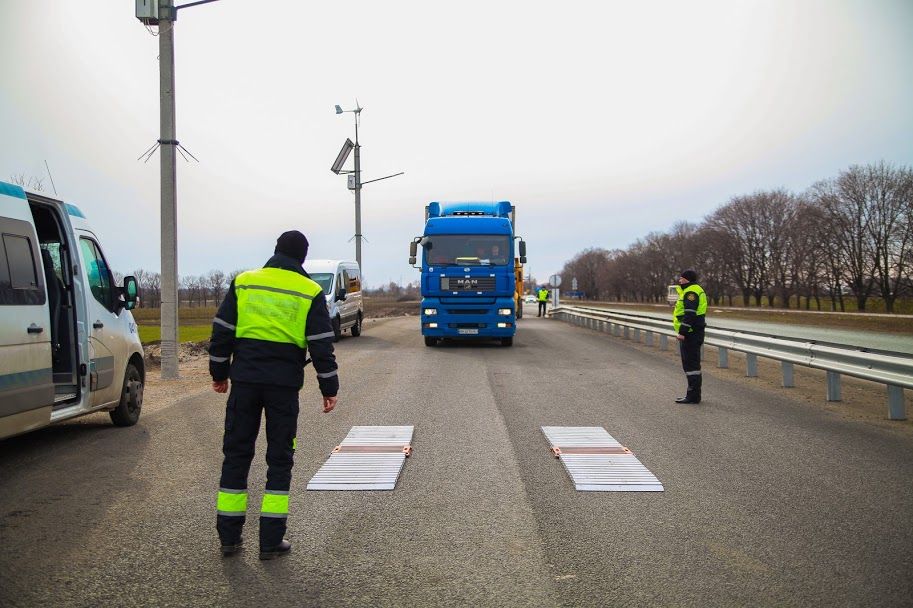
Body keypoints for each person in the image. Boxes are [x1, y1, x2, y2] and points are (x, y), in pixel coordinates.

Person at [209, 230, 339, 560]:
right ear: (302, 259)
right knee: (279, 461)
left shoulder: (245, 282)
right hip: (283, 389)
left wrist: (219, 373)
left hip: (245, 384)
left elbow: (222, 332)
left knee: (236, 455)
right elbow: (321, 344)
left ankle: (229, 538)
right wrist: (329, 388)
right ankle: (269, 542)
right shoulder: (310, 291)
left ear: (276, 250)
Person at [672, 269, 707, 404]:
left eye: (681, 278)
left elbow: (690, 314)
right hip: (693, 333)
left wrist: (682, 332)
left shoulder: (691, 292)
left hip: (691, 334)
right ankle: (693, 395)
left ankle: (693, 396)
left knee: (691, 365)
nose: (679, 281)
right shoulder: (692, 290)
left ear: (687, 279)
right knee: (692, 365)